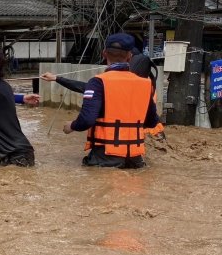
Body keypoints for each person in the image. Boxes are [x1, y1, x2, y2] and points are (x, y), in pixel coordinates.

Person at [63, 33, 160, 169]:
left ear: (104, 54)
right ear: (130, 56)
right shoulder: (145, 84)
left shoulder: (98, 82)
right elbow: (152, 121)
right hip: (135, 159)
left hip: (105, 156)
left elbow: (87, 120)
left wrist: (71, 126)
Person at [41, 47, 164, 138]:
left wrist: (73, 126)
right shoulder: (147, 87)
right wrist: (57, 78)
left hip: (138, 136)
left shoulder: (115, 85)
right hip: (145, 136)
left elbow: (83, 89)